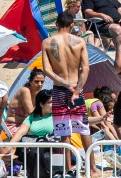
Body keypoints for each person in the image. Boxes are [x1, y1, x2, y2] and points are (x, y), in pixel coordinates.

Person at [41, 11, 91, 152]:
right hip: (77, 89)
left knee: (63, 132)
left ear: (56, 24)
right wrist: (76, 90)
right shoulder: (80, 41)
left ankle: (67, 169)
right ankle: (92, 168)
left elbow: (47, 70)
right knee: (83, 129)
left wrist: (66, 85)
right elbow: (86, 68)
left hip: (59, 90)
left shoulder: (47, 42)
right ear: (71, 24)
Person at [6, 69, 46, 134]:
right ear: (30, 81)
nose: (39, 84)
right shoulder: (25, 91)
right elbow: (31, 112)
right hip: (14, 125)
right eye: (36, 81)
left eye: (42, 82)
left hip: (26, 125)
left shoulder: (38, 93)